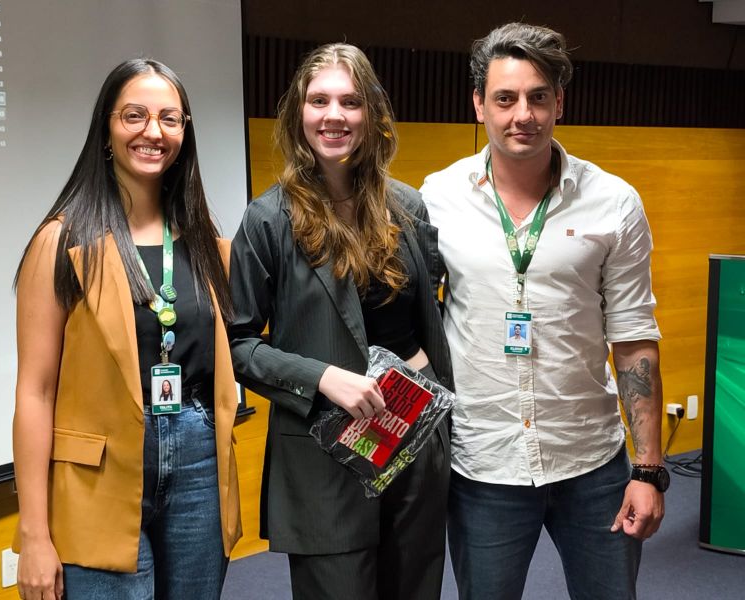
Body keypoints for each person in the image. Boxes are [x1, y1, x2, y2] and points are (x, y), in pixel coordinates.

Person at [420, 23, 666, 600]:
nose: (521, 115)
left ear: (560, 101)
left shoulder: (614, 202)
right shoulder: (436, 198)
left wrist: (649, 469)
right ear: (478, 103)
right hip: (483, 464)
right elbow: (409, 316)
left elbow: (633, 339)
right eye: (504, 98)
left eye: (537, 97)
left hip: (592, 461)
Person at [228, 43, 453, 599]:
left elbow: (429, 312)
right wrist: (323, 377)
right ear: (297, 113)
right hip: (323, 451)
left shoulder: (408, 206)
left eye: (350, 101)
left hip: (413, 434)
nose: (334, 115)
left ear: (372, 114)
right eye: (319, 100)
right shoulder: (267, 219)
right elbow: (237, 345)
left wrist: (429, 381)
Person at [12, 58, 242, 600]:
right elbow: (35, 391)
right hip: (97, 471)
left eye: (170, 118)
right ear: (107, 129)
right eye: (134, 115)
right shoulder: (61, 242)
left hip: (196, 459)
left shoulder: (204, 240)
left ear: (185, 131)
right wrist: (33, 534)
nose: (153, 132)